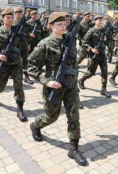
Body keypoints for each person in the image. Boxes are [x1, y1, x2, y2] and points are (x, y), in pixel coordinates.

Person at [27, 12, 87, 166]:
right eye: (58, 25)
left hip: (71, 85)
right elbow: (31, 66)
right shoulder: (45, 43)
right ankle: (36, 125)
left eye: (64, 24)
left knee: (74, 116)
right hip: (54, 85)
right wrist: (46, 81)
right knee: (51, 116)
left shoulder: (70, 41)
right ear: (51, 26)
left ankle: (73, 148)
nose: (62, 27)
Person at [0, 8, 28, 122]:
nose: (10, 19)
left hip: (16, 63)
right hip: (3, 62)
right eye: (8, 17)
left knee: (19, 85)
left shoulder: (17, 31)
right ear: (3, 19)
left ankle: (20, 109)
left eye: (12, 17)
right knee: (1, 85)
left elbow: (24, 47)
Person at [78, 15, 112, 98]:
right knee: (91, 72)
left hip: (102, 54)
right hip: (94, 55)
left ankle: (103, 90)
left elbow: (108, 39)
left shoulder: (103, 30)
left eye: (101, 20)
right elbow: (84, 42)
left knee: (105, 72)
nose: (100, 21)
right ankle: (81, 80)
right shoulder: (91, 31)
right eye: (98, 20)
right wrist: (91, 49)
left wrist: (106, 39)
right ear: (95, 21)